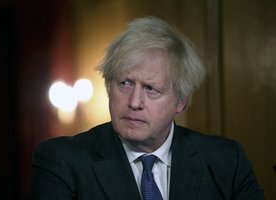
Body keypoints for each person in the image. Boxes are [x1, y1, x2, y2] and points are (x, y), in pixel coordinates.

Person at [26, 16, 264, 200]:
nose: (134, 102)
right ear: (109, 86)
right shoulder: (62, 161)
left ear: (180, 101)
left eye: (151, 89)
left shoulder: (226, 160)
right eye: (125, 83)